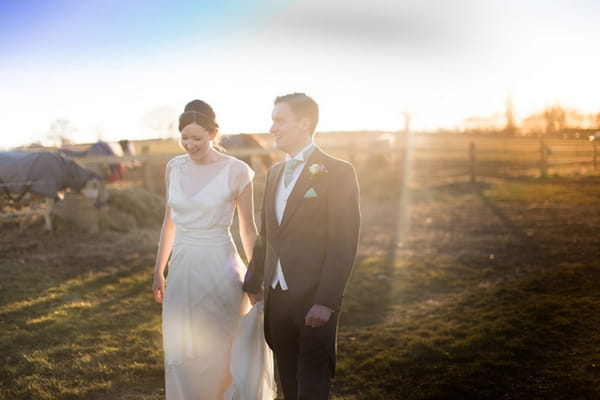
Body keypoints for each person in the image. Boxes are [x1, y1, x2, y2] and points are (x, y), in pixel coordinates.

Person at [152, 99, 276, 399]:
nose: (189, 145)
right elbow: (169, 224)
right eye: (184, 137)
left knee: (222, 342)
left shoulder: (237, 172)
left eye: (197, 138)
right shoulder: (174, 167)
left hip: (219, 265)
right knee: (185, 347)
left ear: (214, 134)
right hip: (182, 267)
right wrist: (159, 270)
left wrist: (256, 276)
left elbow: (247, 229)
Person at [243, 93, 361, 400]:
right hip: (277, 297)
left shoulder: (338, 172)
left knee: (312, 386)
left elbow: (343, 241)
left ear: (304, 123)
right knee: (289, 385)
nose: (272, 128)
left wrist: (326, 300)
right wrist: (254, 279)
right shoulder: (274, 174)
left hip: (314, 300)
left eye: (279, 120)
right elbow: (268, 233)